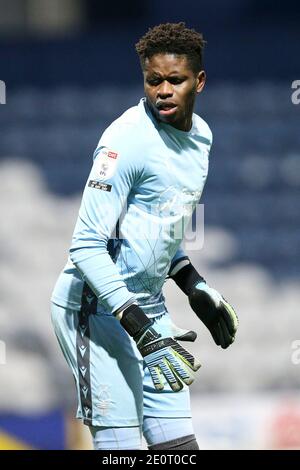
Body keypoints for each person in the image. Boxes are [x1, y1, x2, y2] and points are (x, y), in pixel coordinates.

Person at [51, 22, 238, 451]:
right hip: (95, 312)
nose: (164, 91)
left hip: (148, 311)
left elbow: (156, 232)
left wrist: (194, 286)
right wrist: (141, 331)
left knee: (178, 453)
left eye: (176, 80)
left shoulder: (202, 138)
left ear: (200, 81)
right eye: (154, 80)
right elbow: (85, 245)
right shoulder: (125, 142)